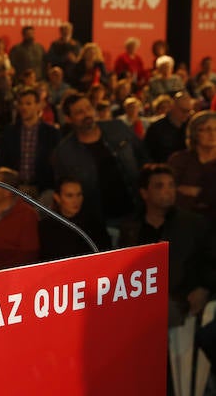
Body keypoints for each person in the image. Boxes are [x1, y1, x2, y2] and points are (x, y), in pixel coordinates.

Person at [118, 165, 216, 327]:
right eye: (159, 186)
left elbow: (211, 260)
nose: (168, 190)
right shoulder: (131, 228)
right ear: (144, 193)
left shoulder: (194, 224)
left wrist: (204, 288)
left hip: (179, 298)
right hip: (138, 296)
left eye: (171, 185)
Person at [52, 93, 147, 226]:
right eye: (79, 112)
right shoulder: (64, 153)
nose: (87, 114)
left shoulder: (117, 128)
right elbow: (65, 189)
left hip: (138, 209)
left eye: (89, 108)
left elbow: (143, 156)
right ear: (69, 118)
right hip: (100, 221)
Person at [0, 89, 60, 197]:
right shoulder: (10, 131)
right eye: (21, 103)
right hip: (15, 189)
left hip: (43, 190)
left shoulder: (51, 133)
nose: (23, 107)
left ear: (38, 106)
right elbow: (0, 159)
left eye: (28, 103)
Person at [38, 177, 110, 261]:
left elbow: (105, 254)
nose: (76, 200)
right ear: (57, 198)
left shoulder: (94, 223)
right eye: (69, 196)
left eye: (79, 195)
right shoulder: (46, 226)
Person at [168, 110, 216, 223]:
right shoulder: (179, 160)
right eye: (206, 129)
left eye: (215, 129)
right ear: (194, 133)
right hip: (184, 221)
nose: (212, 134)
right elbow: (169, 193)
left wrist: (199, 193)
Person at [145, 92, 193, 163]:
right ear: (172, 107)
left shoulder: (191, 126)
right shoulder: (156, 128)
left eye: (189, 111)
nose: (187, 114)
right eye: (183, 111)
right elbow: (148, 154)